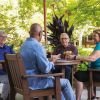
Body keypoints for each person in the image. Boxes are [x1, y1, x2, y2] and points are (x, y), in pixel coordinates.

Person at [20, 23, 75, 100]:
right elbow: (45, 69)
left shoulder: (23, 45)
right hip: (35, 82)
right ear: (40, 33)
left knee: (57, 80)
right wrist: (52, 62)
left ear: (30, 33)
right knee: (65, 83)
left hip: (24, 81)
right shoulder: (37, 46)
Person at [69, 29, 100, 100]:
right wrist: (82, 59)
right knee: (82, 74)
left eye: (95, 36)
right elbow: (90, 57)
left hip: (97, 73)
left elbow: (92, 58)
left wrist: (75, 57)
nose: (93, 38)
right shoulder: (98, 46)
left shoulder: (99, 45)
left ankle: (79, 98)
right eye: (93, 36)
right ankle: (93, 96)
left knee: (78, 75)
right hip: (95, 71)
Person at [0, 31, 14, 100]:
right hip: (1, 73)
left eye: (5, 37)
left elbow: (15, 59)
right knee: (8, 81)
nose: (3, 38)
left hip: (8, 72)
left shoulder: (9, 48)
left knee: (18, 79)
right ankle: (3, 98)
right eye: (1, 36)